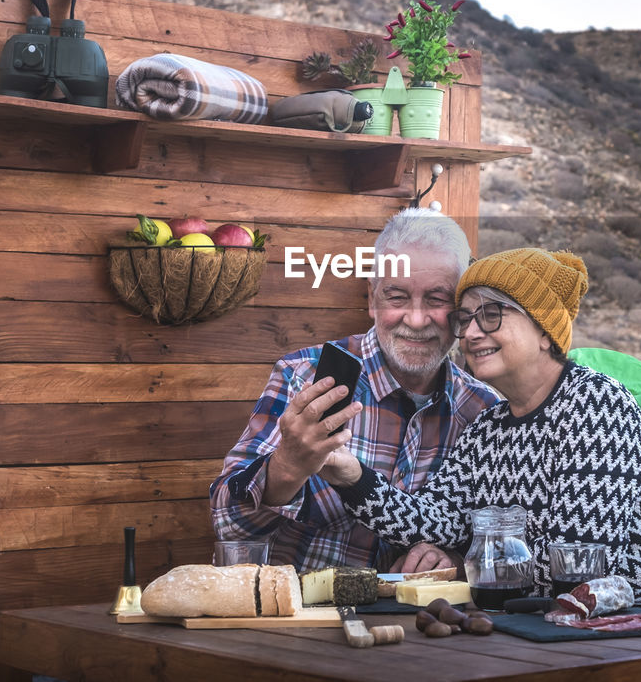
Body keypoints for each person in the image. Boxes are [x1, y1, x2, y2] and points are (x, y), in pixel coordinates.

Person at [320, 248, 641, 600]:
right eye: (466, 319)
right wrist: (348, 473)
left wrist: (465, 564)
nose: (473, 332)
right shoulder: (488, 429)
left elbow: (574, 566)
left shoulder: (596, 407)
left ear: (544, 332)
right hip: (603, 619)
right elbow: (437, 521)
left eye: (492, 314)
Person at [210, 208, 501, 573]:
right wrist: (286, 468)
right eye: (396, 297)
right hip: (300, 617)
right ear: (371, 298)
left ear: (461, 306)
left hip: (419, 625)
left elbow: (494, 540)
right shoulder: (306, 378)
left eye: (436, 299)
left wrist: (457, 560)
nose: (415, 319)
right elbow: (227, 526)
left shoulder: (483, 409)